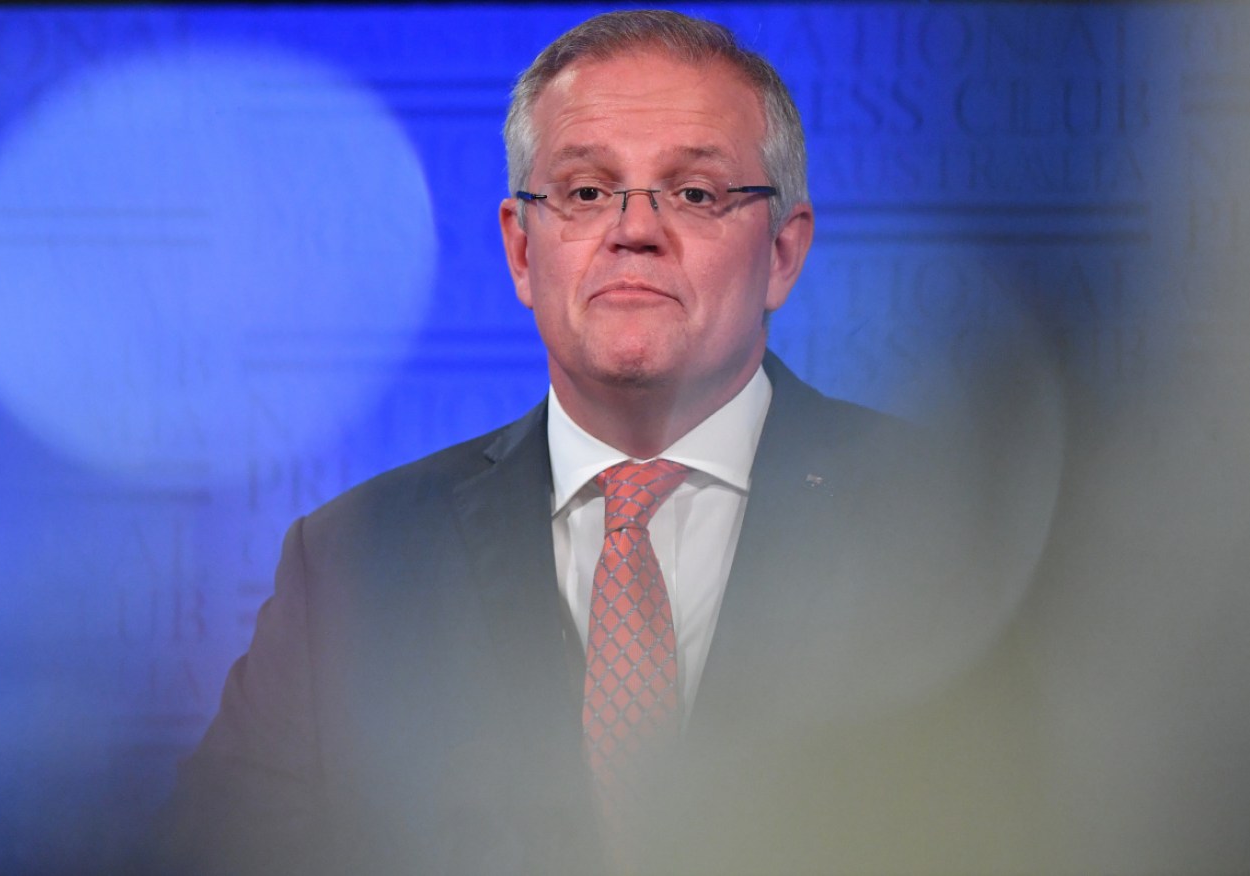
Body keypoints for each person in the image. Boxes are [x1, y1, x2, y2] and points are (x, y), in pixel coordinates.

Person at [153, 10, 1040, 875]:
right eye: (585, 191)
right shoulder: (349, 561)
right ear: (521, 251)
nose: (634, 228)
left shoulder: (957, 524)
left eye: (694, 192)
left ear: (781, 252)